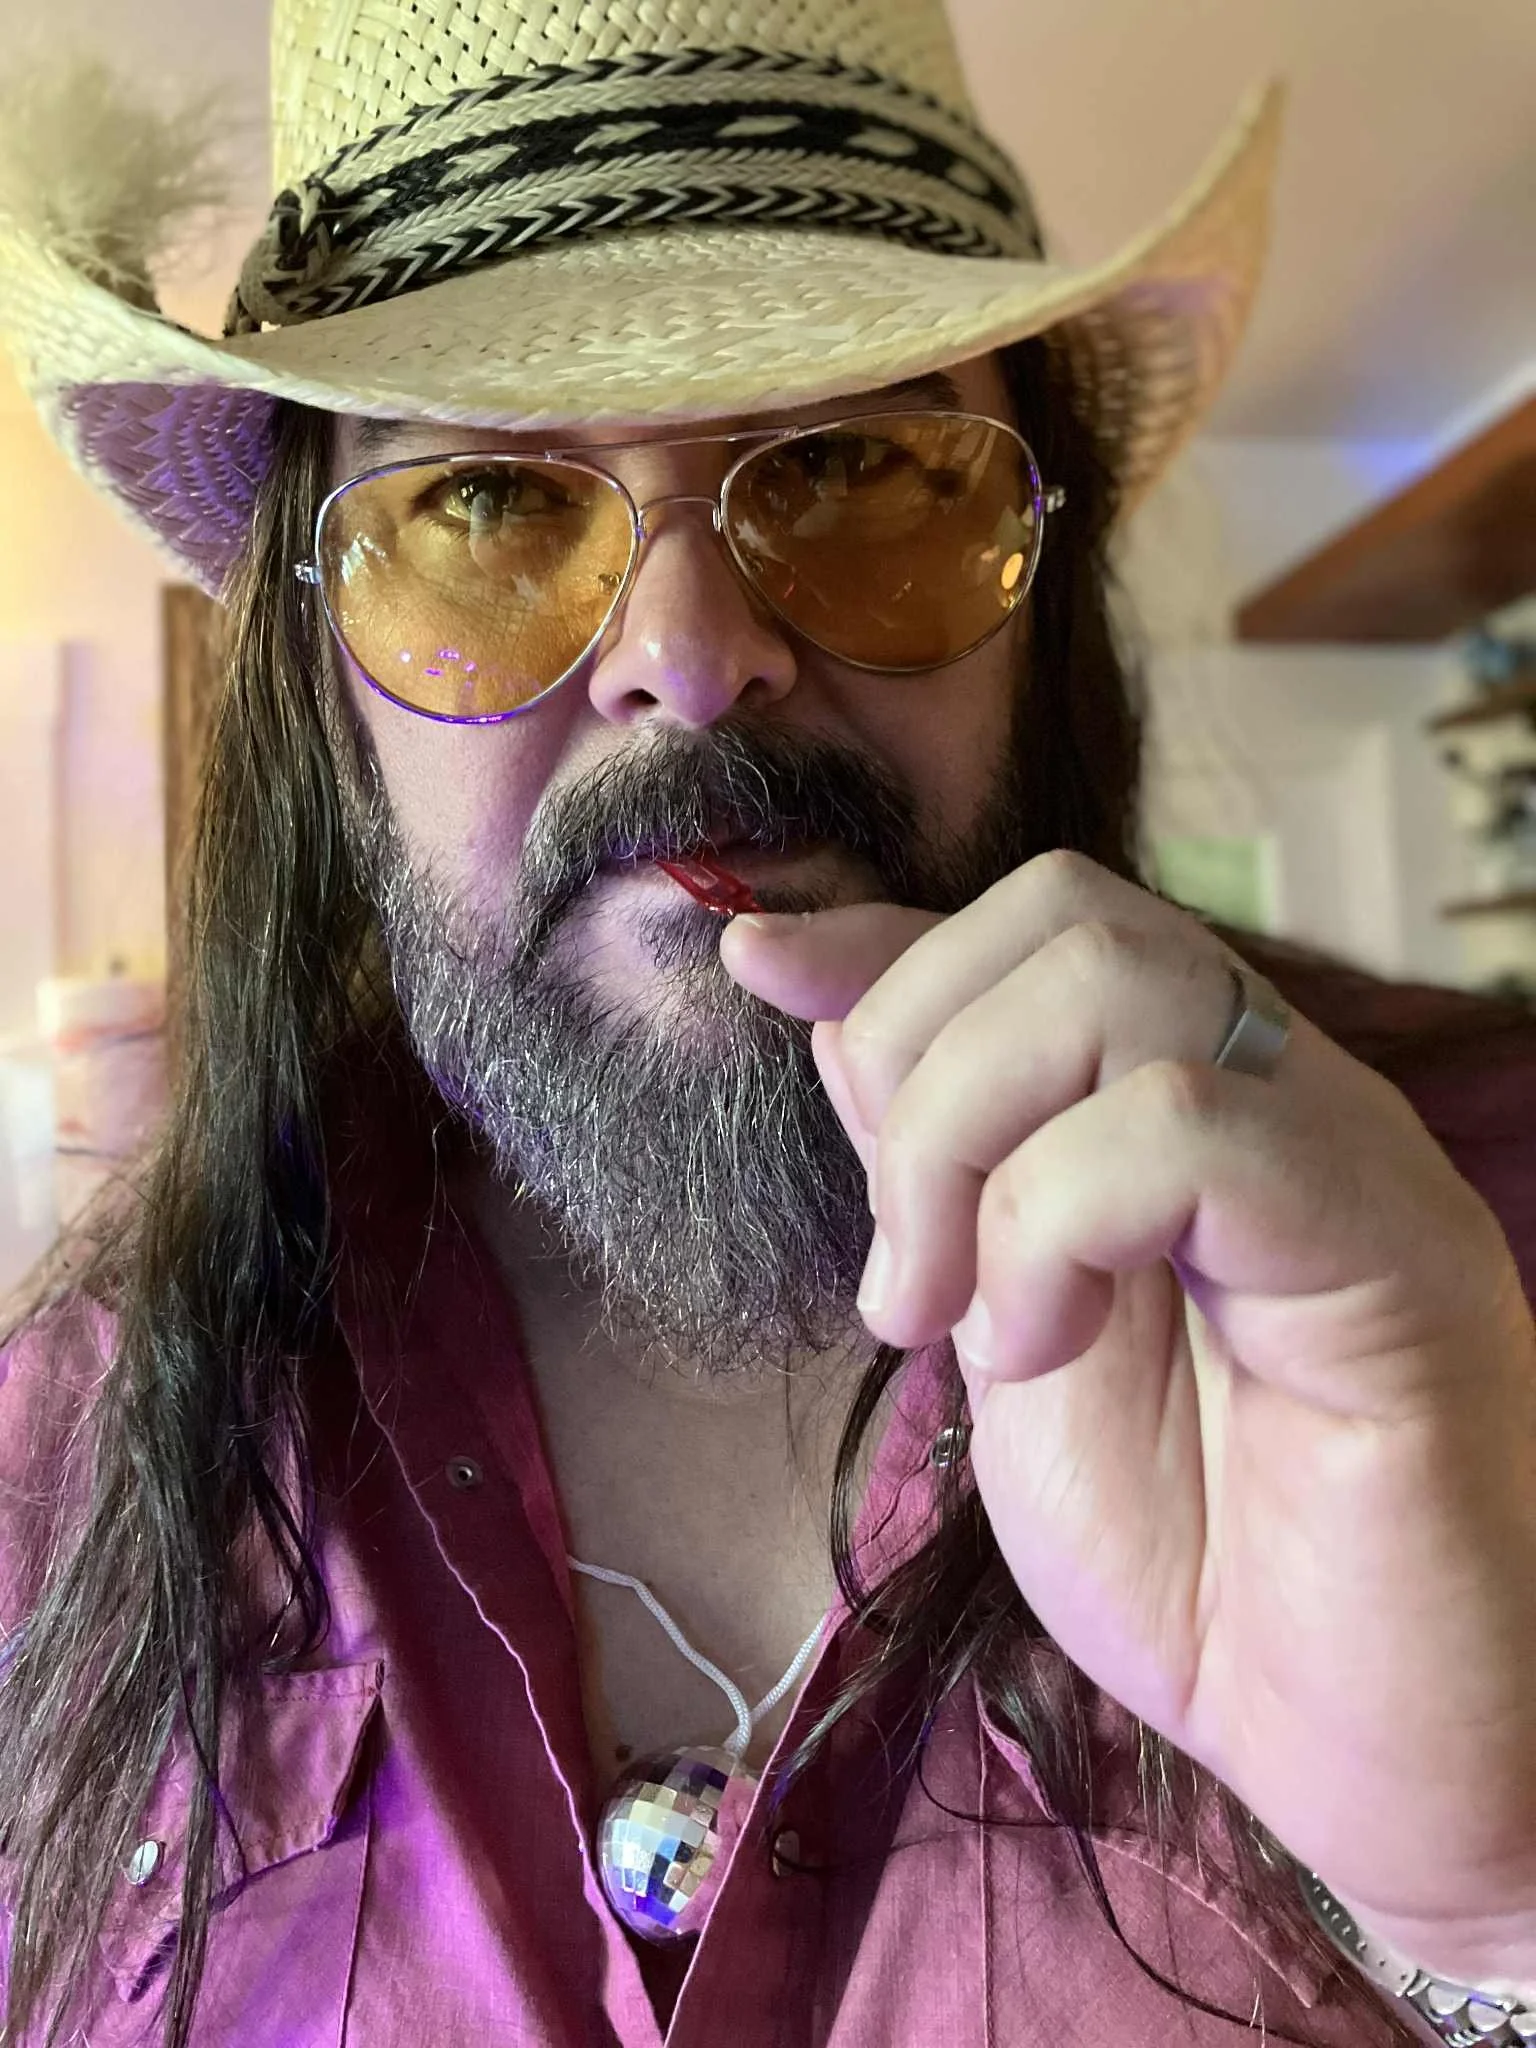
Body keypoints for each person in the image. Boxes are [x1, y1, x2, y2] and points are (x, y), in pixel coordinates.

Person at [1, 0, 1534, 2042]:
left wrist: (1497, 1898)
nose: (698, 660)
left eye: (855, 465)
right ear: (315, 672)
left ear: (1042, 583)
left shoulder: (1484, 1238)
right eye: (483, 502)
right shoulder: (57, 1462)